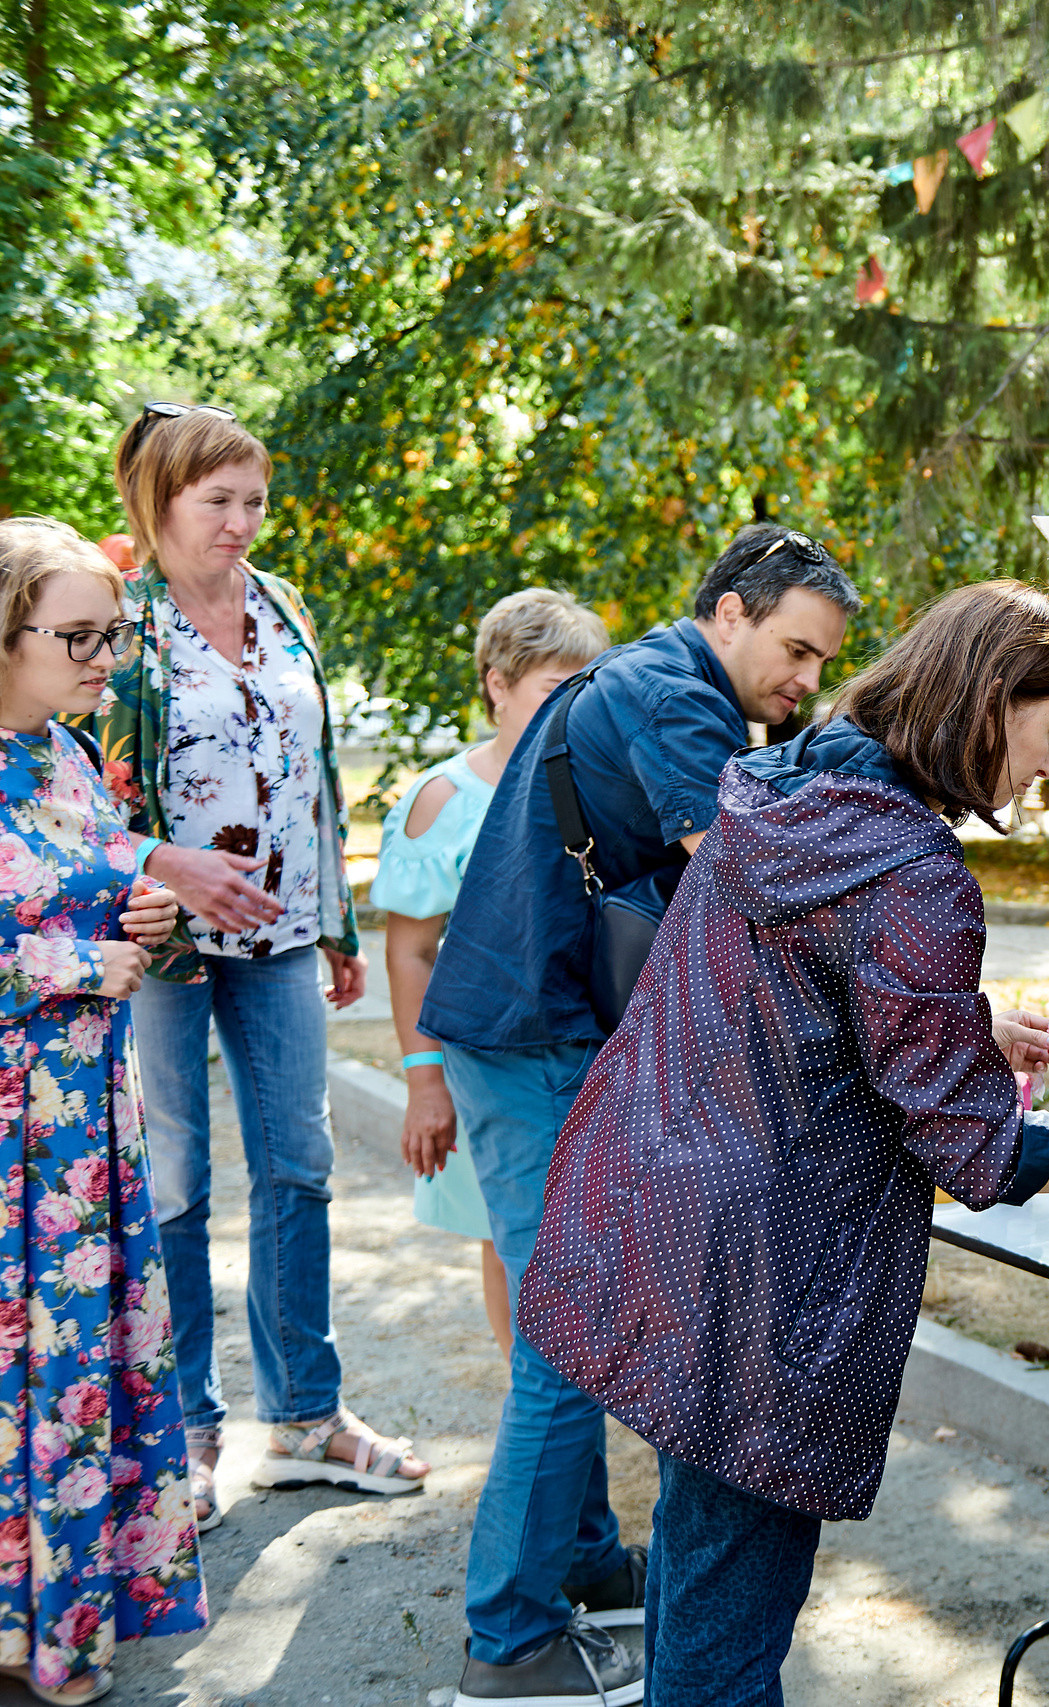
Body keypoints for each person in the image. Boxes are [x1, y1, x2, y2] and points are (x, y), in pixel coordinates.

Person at [516, 579, 1049, 1706]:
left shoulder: (791, 783)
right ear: (990, 705)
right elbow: (978, 1155)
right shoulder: (915, 871)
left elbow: (798, 990)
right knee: (725, 1637)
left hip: (662, 1216)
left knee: (699, 1576)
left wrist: (962, 1022)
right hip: (770, 1284)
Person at [418, 523, 861, 1707]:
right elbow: (746, 874)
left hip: (528, 1024)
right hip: (536, 1037)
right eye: (797, 650)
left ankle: (585, 1565)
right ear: (731, 612)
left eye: (823, 663)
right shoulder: (678, 696)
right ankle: (508, 1641)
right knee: (567, 1348)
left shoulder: (645, 672)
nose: (806, 680)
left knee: (573, 1328)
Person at [95, 403, 425, 1534]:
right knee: (177, 1182)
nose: (240, 523)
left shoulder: (282, 605)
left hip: (281, 935)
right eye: (217, 502)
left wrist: (335, 920)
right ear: (160, 500)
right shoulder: (120, 623)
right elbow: (81, 792)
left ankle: (304, 1422)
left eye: (255, 501)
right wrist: (163, 871)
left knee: (300, 1167)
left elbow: (310, 773)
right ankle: (183, 1434)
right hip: (163, 945)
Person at [0, 519, 206, 1703]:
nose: (104, 660)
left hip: (83, 1130)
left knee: (75, 1366)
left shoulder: (69, 756)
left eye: (111, 634)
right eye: (77, 636)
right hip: (11, 1138)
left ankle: (58, 1627)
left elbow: (104, 874)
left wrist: (146, 913)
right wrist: (77, 964)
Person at [379, 590, 608, 1355]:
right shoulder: (444, 798)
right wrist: (424, 1081)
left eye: (588, 687)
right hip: (487, 1065)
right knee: (512, 1241)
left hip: (582, 1054)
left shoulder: (594, 784)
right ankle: (530, 1400)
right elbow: (412, 951)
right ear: (497, 683)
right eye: (554, 686)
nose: (573, 707)